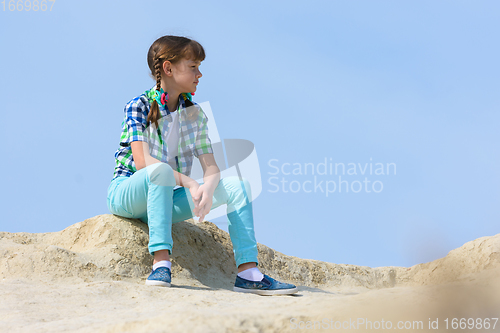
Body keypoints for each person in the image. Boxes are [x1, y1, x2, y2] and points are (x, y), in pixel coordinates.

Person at [106, 35, 297, 295]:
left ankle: (248, 273)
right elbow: (142, 163)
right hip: (128, 193)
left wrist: (207, 189)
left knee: (238, 185)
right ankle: (161, 263)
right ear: (169, 68)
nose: (200, 74)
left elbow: (212, 167)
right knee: (159, 170)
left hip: (164, 201)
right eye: (193, 66)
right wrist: (187, 180)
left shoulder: (195, 115)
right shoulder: (138, 106)